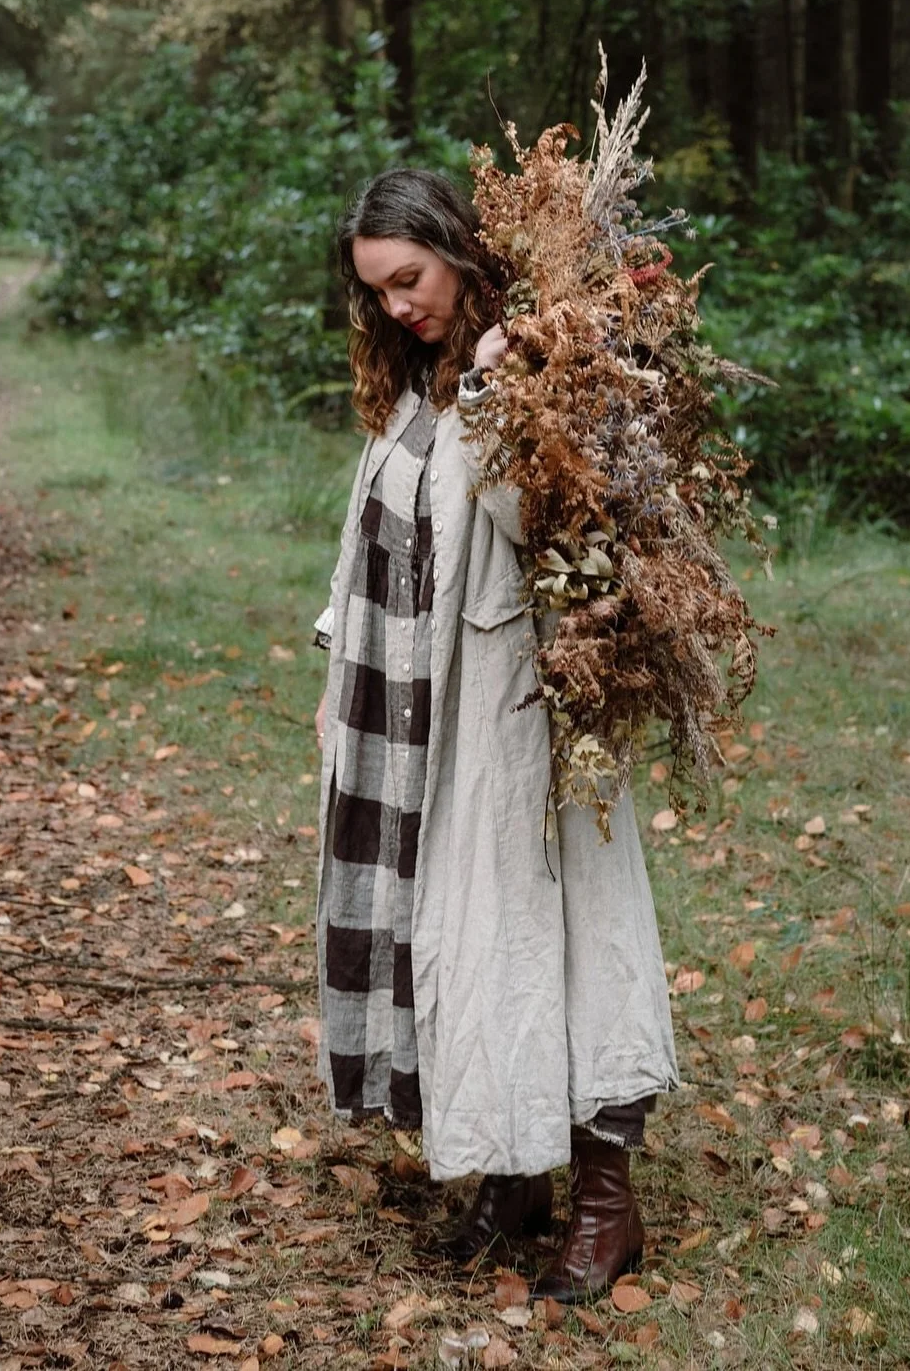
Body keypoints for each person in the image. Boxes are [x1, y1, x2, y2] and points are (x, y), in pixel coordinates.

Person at [311, 166, 678, 1300]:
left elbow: (554, 531)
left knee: (559, 933)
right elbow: (382, 526)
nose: (395, 308)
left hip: (521, 714)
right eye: (376, 292)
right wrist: (338, 677)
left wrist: (500, 392)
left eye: (408, 280)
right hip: (418, 714)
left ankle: (605, 1208)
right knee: (463, 938)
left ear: (461, 252)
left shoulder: (537, 361)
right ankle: (513, 1179)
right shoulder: (423, 373)